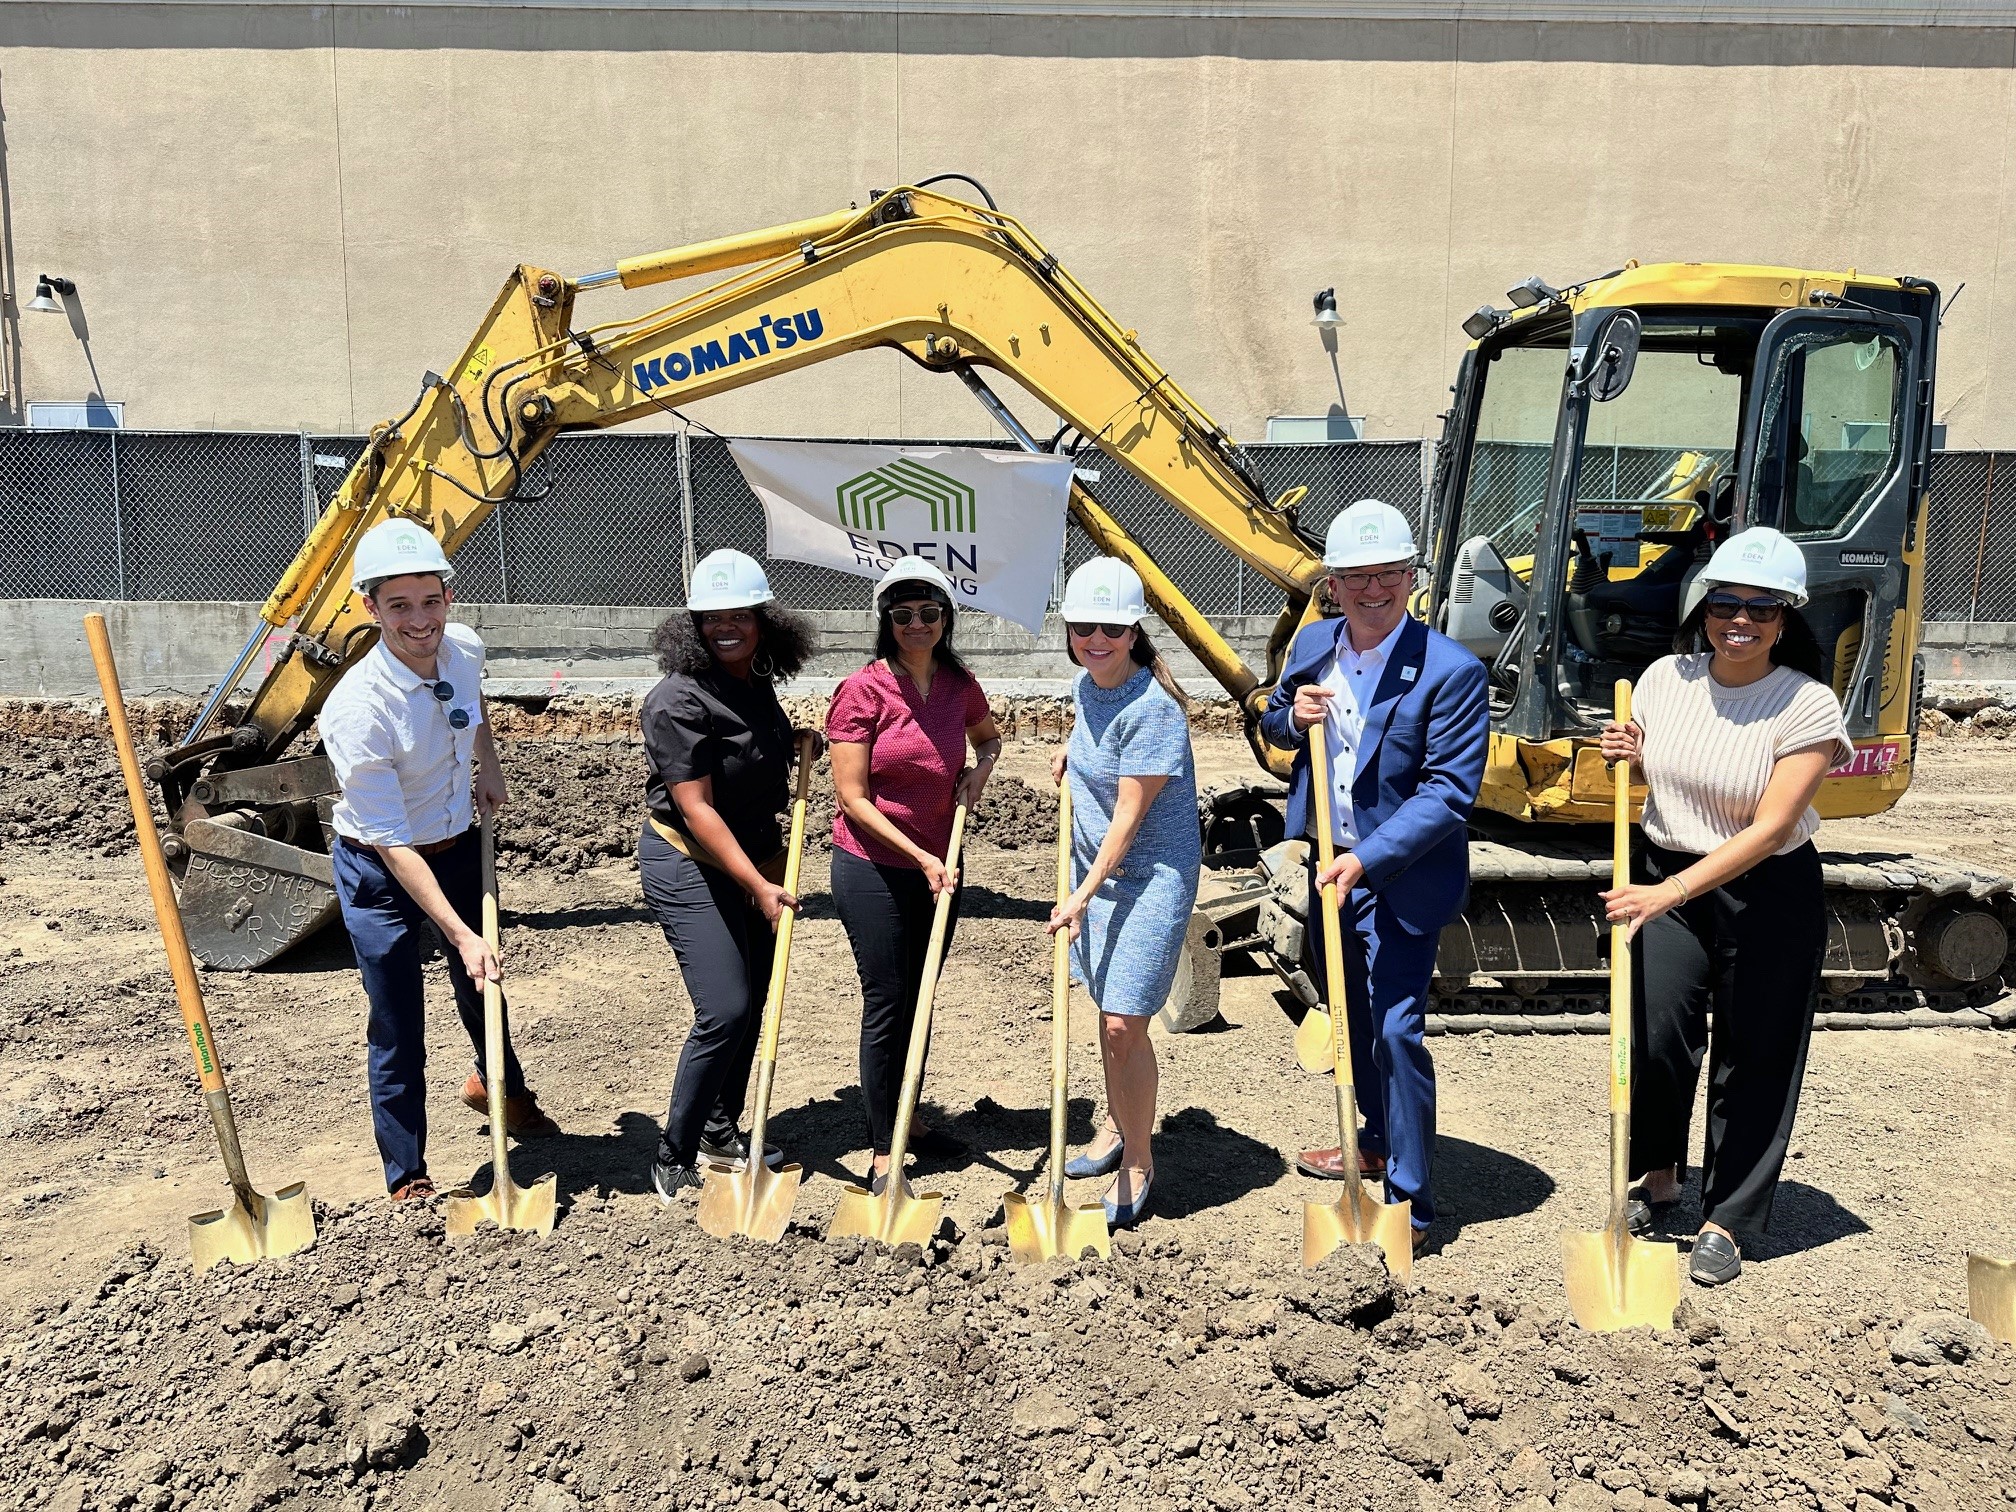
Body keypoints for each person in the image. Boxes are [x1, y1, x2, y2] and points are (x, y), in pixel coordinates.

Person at [1599, 526, 1852, 1287]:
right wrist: (1631, 752)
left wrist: (1669, 891)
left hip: (1764, 887)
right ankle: (1660, 1173)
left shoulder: (1806, 704)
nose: (1739, 620)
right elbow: (1682, 759)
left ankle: (1727, 1221)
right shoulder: (1661, 679)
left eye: (1762, 608)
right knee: (1655, 1035)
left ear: (1786, 619)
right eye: (1726, 603)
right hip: (1667, 868)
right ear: (1704, 607)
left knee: (1757, 1051)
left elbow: (1773, 824)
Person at [1259, 498, 1489, 1254]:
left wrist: (1369, 858)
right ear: (1331, 585)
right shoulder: (1316, 644)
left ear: (1412, 577)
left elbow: (1450, 791)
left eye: (1388, 573)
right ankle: (1373, 1141)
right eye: (1356, 576)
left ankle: (1413, 1206)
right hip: (1330, 873)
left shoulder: (1449, 671)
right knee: (1350, 1021)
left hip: (1397, 876)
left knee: (1395, 1029)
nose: (1373, 589)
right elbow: (1264, 717)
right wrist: (1291, 716)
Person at [321, 519, 560, 1203]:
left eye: (431, 601)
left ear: (449, 596)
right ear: (370, 608)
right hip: (378, 866)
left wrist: (487, 762)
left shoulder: (462, 649)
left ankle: (500, 1088)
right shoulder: (358, 710)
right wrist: (458, 930)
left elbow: (470, 695)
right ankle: (408, 1174)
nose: (420, 621)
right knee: (396, 1019)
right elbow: (392, 842)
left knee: (482, 983)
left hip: (456, 841)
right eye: (399, 606)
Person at [638, 549, 820, 1204]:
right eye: (712, 617)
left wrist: (795, 743)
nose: (727, 627)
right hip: (689, 860)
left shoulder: (751, 680)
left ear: (763, 621)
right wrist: (759, 884)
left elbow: (749, 752)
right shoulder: (674, 700)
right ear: (692, 624)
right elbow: (696, 809)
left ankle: (720, 1125)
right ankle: (675, 1150)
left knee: (754, 1002)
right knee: (727, 1006)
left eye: (740, 615)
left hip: (757, 859)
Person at [826, 557, 1004, 1190]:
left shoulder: (959, 684)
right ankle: (882, 1149)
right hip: (873, 865)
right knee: (888, 999)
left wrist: (977, 776)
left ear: (946, 618)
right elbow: (852, 797)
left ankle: (911, 1114)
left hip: (941, 866)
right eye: (903, 615)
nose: (917, 624)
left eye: (930, 612)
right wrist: (926, 857)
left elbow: (989, 740)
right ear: (887, 621)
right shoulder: (863, 690)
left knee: (921, 998)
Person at [1047, 558, 1200, 1228]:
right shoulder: (1086, 688)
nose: (1096, 638)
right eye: (1084, 626)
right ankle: (1114, 1125)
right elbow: (1094, 748)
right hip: (1098, 873)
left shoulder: (1156, 710)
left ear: (1134, 630)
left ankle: (1140, 1156)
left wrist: (1078, 896)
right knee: (1110, 1015)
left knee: (1121, 1022)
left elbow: (1129, 821)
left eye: (1111, 626)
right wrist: (1071, 759)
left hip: (1146, 878)